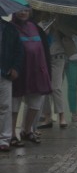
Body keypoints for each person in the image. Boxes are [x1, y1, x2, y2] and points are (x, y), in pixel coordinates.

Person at [10, 8, 51, 145]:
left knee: (35, 103)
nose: (23, 13)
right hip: (18, 71)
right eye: (20, 10)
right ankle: (11, 134)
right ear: (14, 12)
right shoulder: (10, 28)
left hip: (36, 71)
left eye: (26, 10)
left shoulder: (35, 27)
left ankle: (27, 131)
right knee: (14, 104)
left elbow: (43, 50)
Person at [37, 12, 74, 129]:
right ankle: (47, 117)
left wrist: (59, 28)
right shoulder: (40, 25)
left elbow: (69, 38)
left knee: (55, 87)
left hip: (58, 57)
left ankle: (61, 117)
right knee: (46, 88)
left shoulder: (61, 24)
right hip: (44, 58)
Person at [0, 15, 23, 152]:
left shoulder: (9, 29)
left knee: (5, 106)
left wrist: (16, 68)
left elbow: (19, 51)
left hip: (5, 72)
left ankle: (4, 139)